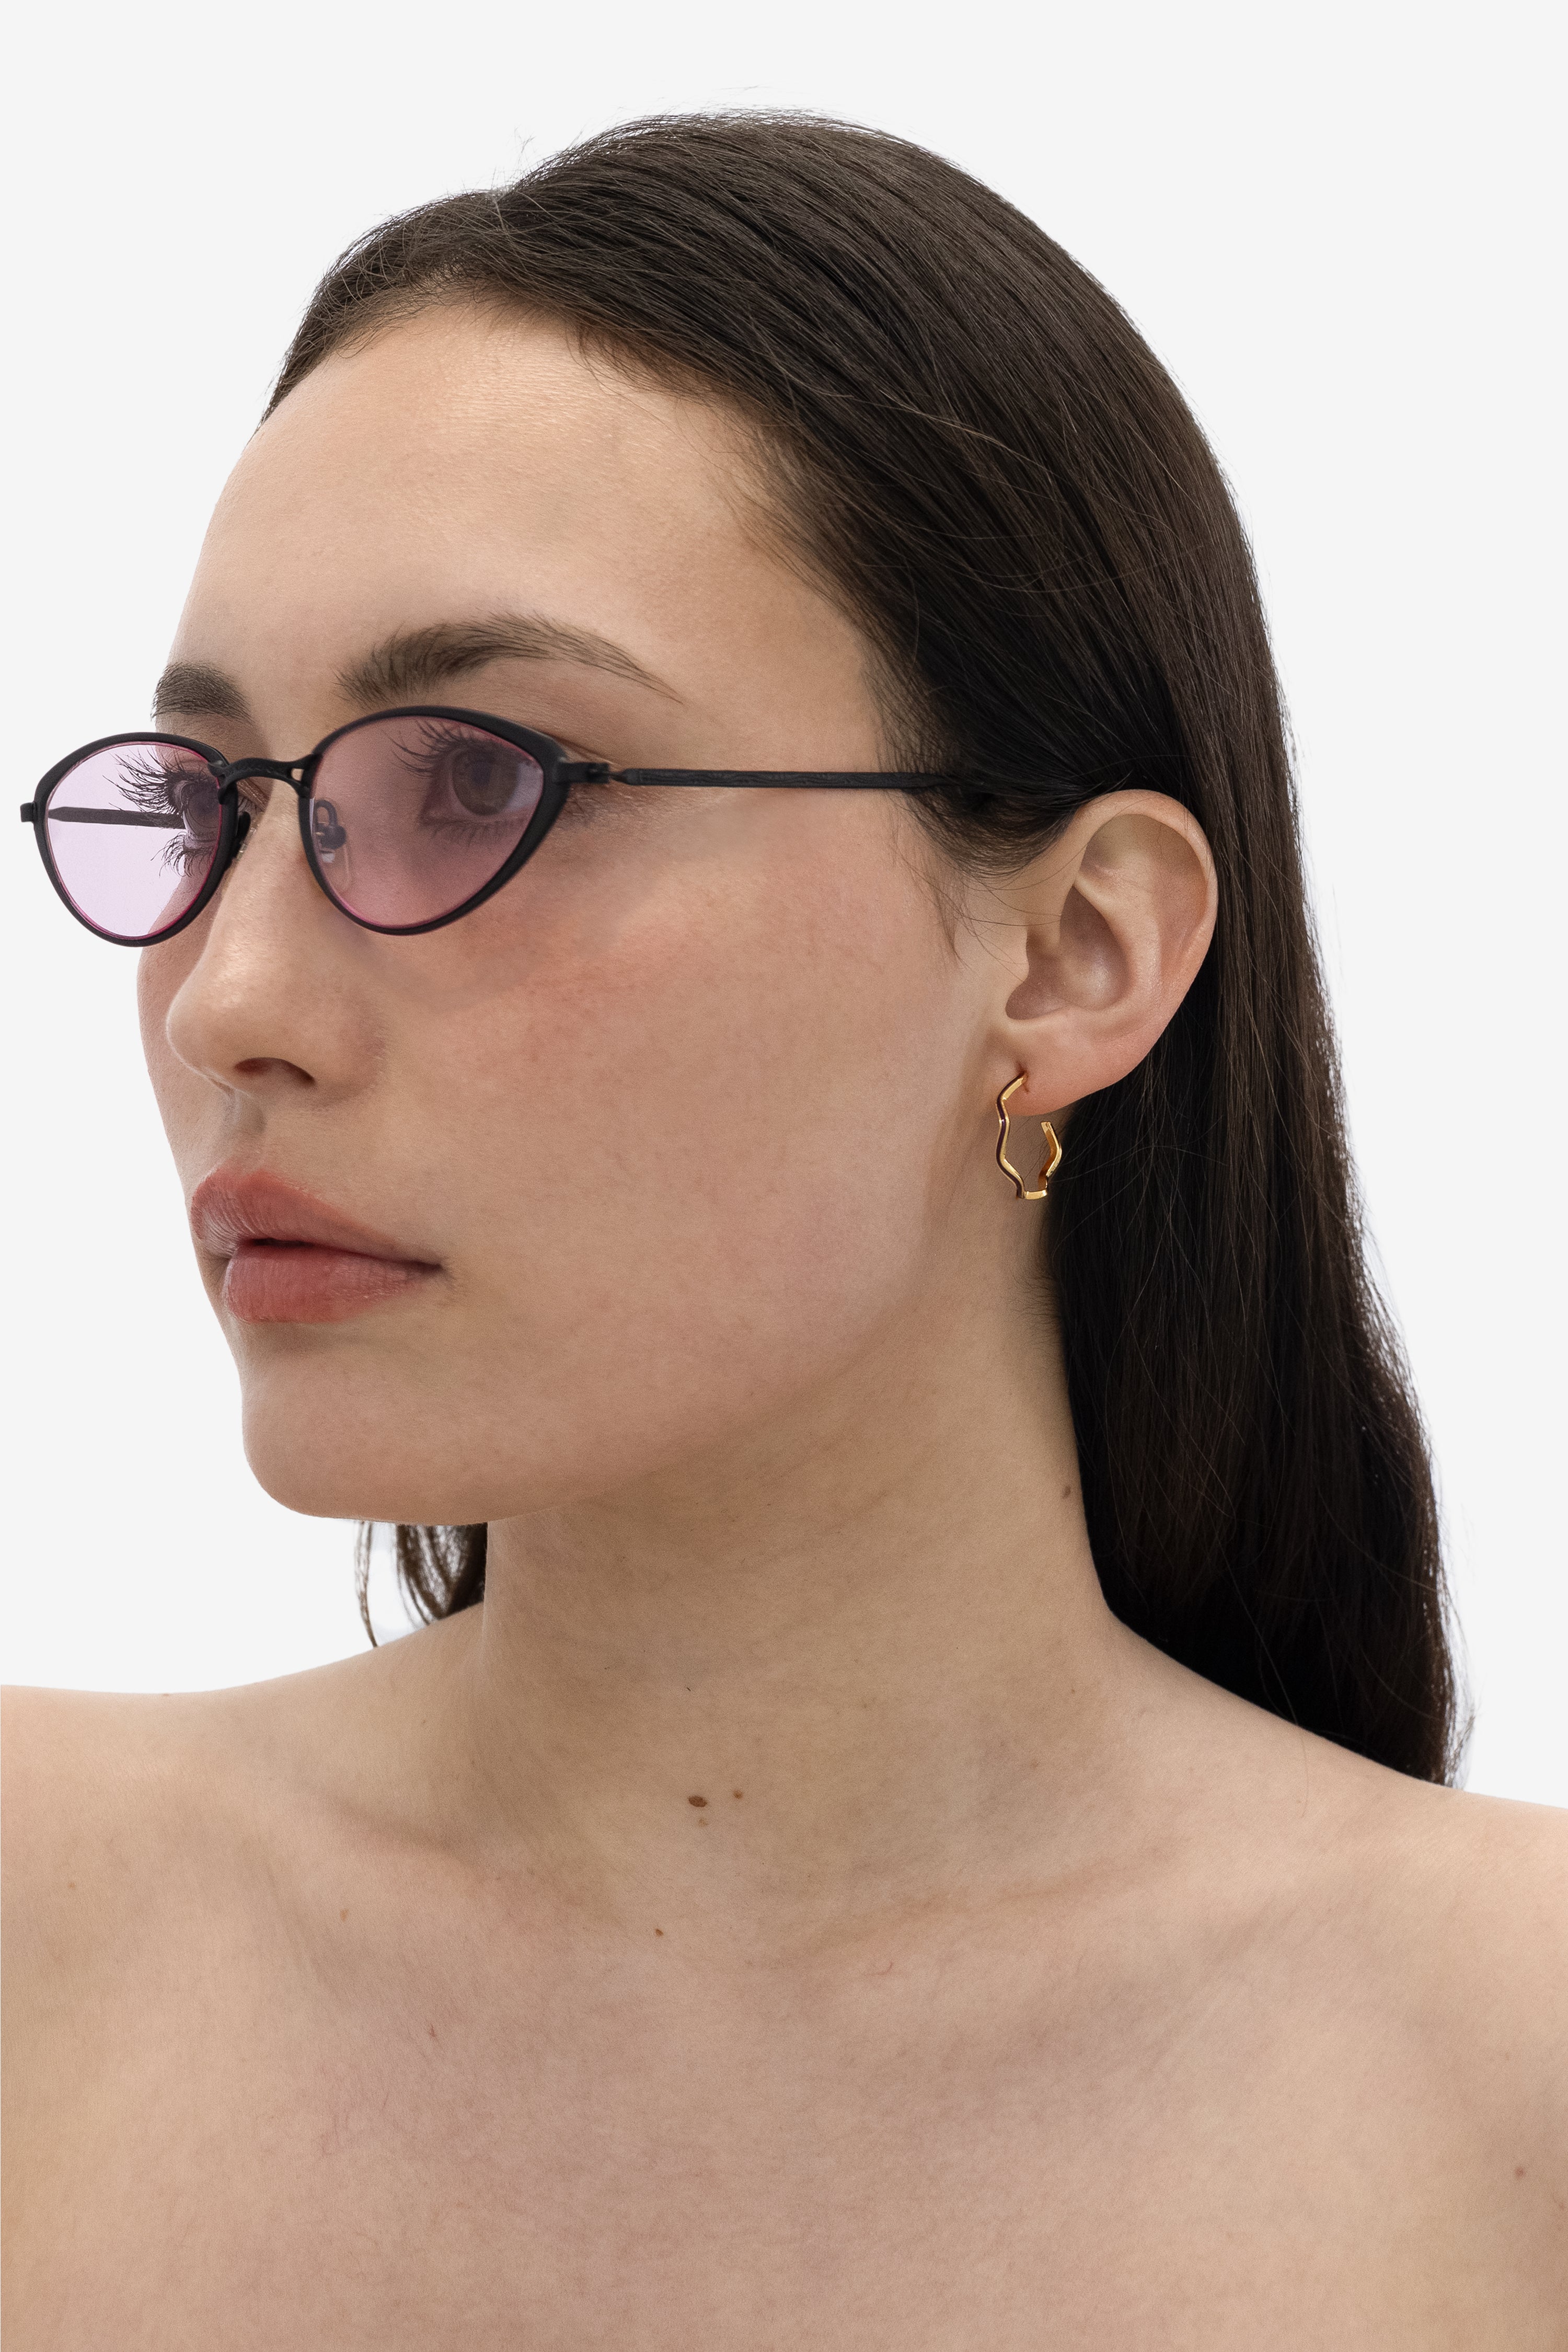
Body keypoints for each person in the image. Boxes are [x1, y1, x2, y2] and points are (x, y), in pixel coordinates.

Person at [4, 113, 1563, 2346]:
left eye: (477, 781)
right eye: (210, 802)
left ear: (1078, 952)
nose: (229, 1000)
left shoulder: (1514, 2078)